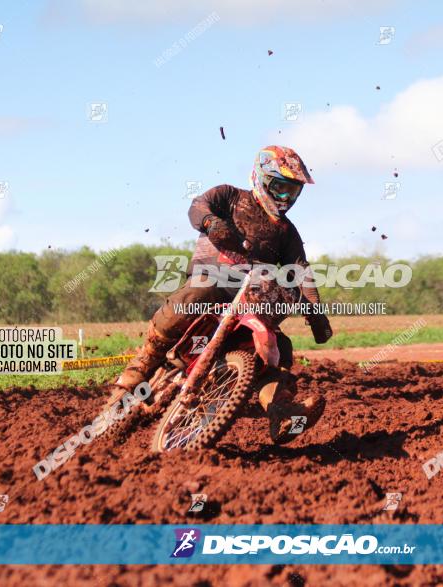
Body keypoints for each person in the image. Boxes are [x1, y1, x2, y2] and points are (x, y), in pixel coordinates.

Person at [108, 146, 333, 442]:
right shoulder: (229, 196)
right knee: (195, 295)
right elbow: (197, 206)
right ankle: (140, 368)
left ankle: (281, 413)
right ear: (261, 179)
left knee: (280, 346)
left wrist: (316, 312)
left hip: (250, 295)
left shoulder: (287, 231)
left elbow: (301, 270)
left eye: (293, 192)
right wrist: (210, 222)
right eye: (280, 188)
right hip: (211, 279)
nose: (285, 198)